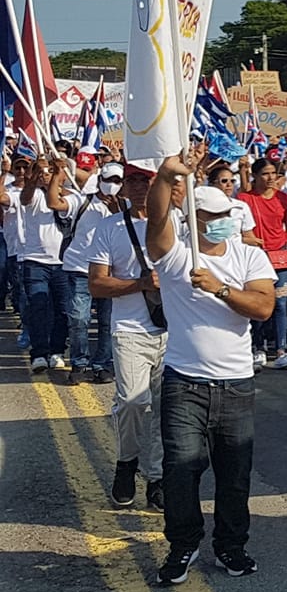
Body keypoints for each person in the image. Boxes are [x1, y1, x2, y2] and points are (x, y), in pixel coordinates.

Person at [144, 153, 276, 584]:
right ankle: (183, 546)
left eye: (226, 212)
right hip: (185, 383)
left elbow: (262, 306)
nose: (221, 219)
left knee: (234, 475)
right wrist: (166, 176)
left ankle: (230, 547)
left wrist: (219, 288)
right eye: (211, 214)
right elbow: (155, 222)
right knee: (181, 470)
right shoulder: (177, 257)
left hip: (236, 385)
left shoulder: (250, 258)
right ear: (194, 218)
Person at [81, 162, 168, 510]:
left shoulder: (175, 223)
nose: (136, 187)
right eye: (130, 181)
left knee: (167, 408)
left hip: (173, 330)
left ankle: (158, 476)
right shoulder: (110, 226)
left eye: (143, 180)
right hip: (130, 330)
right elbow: (96, 284)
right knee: (133, 401)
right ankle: (126, 463)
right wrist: (140, 284)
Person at [1, 151, 84, 375]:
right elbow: (25, 198)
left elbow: (55, 203)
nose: (46, 175)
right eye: (43, 172)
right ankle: (39, 353)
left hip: (64, 264)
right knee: (38, 307)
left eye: (51, 171)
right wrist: (32, 177)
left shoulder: (75, 198)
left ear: (64, 174)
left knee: (63, 310)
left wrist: (57, 174)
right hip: (34, 261)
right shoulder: (34, 194)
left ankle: (57, 350)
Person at [237, 157, 287, 370]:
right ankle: (259, 348)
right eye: (265, 173)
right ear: (255, 176)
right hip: (256, 259)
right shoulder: (244, 199)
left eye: (273, 173)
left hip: (281, 259)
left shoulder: (285, 199)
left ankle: (281, 351)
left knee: (280, 304)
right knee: (257, 305)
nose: (269, 178)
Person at [63, 163, 124, 384]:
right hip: (81, 270)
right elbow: (54, 202)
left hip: (111, 272)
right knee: (79, 318)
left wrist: (118, 211)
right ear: (99, 181)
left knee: (108, 321)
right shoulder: (83, 201)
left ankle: (103, 364)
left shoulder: (125, 206)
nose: (112, 185)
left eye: (117, 181)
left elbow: (133, 232)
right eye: (109, 180)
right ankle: (79, 363)